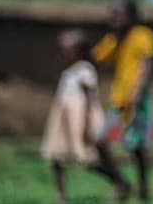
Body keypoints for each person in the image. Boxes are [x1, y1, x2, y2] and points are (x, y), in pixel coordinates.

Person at [42, 29, 130, 203]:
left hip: (80, 119)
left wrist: (87, 125)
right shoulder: (69, 71)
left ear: (79, 51)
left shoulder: (85, 70)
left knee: (90, 161)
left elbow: (90, 100)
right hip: (64, 122)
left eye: (67, 50)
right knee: (56, 158)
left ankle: (120, 182)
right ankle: (61, 196)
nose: (63, 53)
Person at [93, 0, 153, 202]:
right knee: (101, 141)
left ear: (131, 15)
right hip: (119, 100)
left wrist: (138, 93)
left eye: (119, 14)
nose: (115, 18)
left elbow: (146, 64)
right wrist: (113, 37)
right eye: (113, 14)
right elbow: (98, 57)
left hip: (136, 100)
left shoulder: (143, 35)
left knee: (136, 146)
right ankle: (121, 183)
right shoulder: (115, 40)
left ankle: (144, 189)